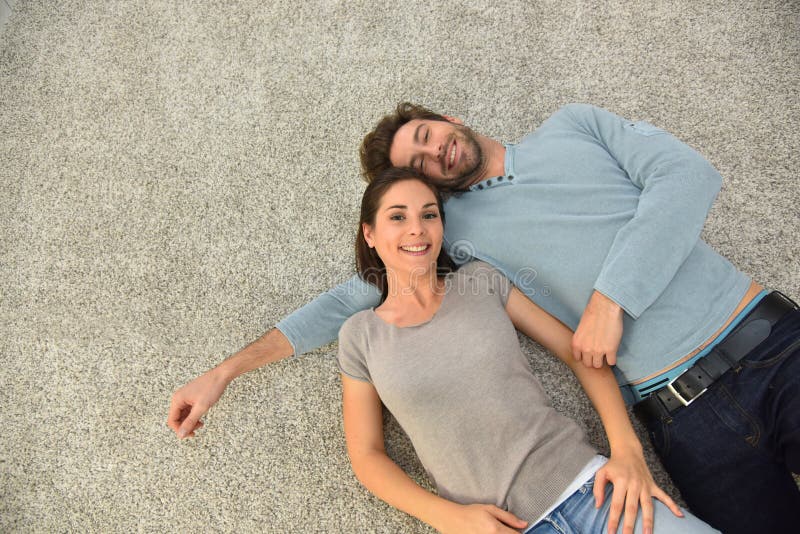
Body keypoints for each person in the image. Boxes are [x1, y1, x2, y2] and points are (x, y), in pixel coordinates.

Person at [168, 103, 800, 533]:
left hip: (767, 343)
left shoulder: (574, 126)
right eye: (417, 169)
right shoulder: (454, 236)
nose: (434, 152)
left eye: (426, 134)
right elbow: (356, 297)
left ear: (451, 118)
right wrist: (225, 371)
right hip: (682, 422)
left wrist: (613, 299)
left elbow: (686, 177)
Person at [337, 168, 716, 533]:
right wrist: (447, 517)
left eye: (429, 214)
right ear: (369, 233)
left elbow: (577, 351)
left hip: (593, 492)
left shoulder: (481, 281)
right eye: (398, 217)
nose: (417, 228)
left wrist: (627, 449)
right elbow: (367, 455)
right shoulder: (360, 336)